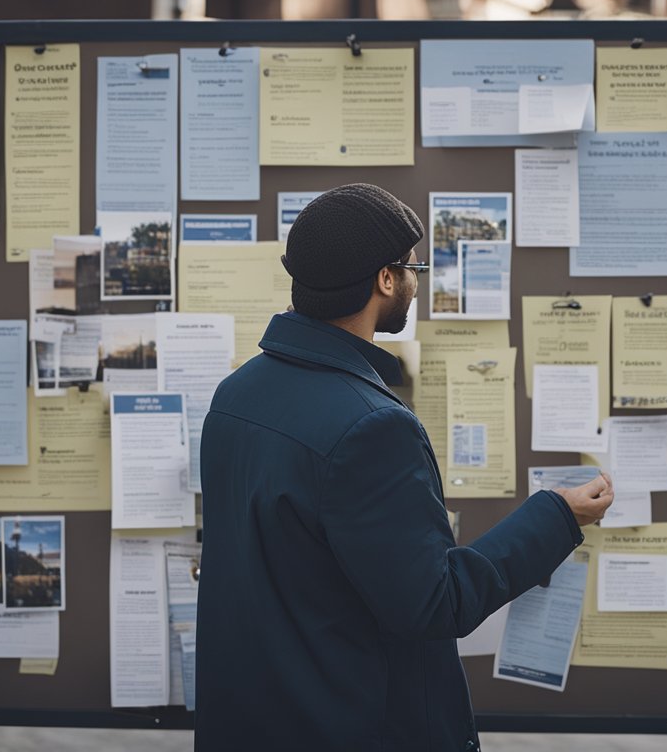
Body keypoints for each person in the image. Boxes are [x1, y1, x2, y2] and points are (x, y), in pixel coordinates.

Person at [196, 183, 613, 752]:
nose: (417, 281)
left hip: (254, 720)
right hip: (352, 725)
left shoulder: (235, 396)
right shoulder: (371, 427)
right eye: (412, 267)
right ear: (385, 280)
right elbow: (435, 603)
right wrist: (557, 516)